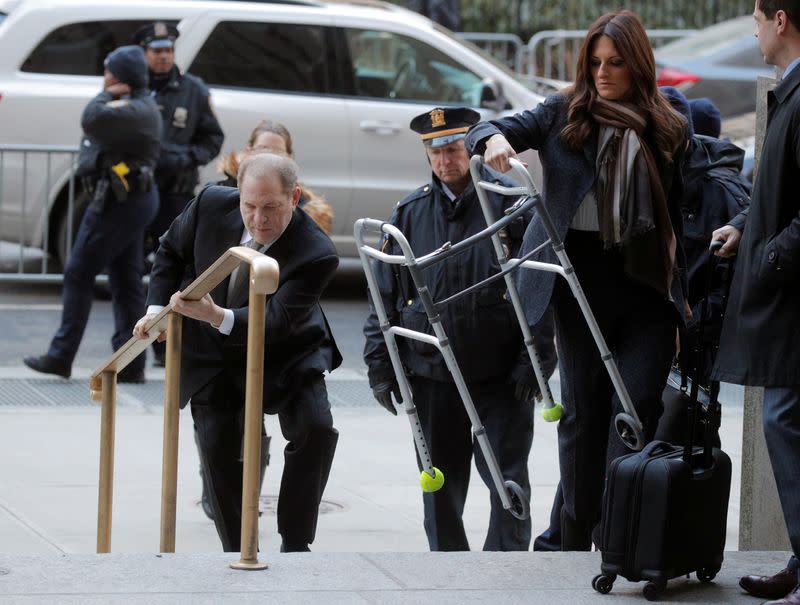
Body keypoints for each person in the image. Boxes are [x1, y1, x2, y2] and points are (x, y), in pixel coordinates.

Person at [466, 10, 688, 551]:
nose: (603, 73)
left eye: (615, 63)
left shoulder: (667, 119)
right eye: (594, 62)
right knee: (582, 419)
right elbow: (485, 127)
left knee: (632, 416)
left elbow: (702, 178)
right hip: (577, 284)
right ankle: (573, 539)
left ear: (637, 65)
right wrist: (491, 139)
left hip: (646, 288)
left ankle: (620, 538)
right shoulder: (564, 110)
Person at [133, 153, 341, 553]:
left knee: (315, 428)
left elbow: (277, 320)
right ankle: (238, 550)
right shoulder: (212, 202)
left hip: (288, 352)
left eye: (271, 208)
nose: (258, 219)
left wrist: (216, 315)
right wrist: (156, 311)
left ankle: (295, 542)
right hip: (215, 355)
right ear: (237, 194)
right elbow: (170, 251)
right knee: (217, 451)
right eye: (249, 206)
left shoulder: (317, 251)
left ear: (294, 197)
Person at [363, 106, 542, 552]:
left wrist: (535, 357)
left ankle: (506, 575)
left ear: (470, 146)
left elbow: (540, 285)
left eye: (451, 148)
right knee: (439, 490)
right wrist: (381, 366)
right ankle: (448, 577)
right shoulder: (409, 213)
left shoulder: (508, 203)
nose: (444, 160)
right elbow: (383, 295)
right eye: (433, 151)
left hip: (499, 375)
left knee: (509, 487)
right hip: (433, 375)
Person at [711, 1, 800, 603]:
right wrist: (747, 222)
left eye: (758, 23)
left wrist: (768, 256)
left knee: (784, 421)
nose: (756, 35)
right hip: (787, 292)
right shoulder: (790, 91)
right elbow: (779, 185)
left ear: (782, 20)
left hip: (791, 294)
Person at [23, 45, 161, 384]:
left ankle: (61, 355)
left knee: (78, 272)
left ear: (121, 77)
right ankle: (131, 363)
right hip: (123, 201)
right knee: (126, 281)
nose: (105, 77)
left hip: (120, 204)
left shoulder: (138, 108)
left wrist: (104, 94)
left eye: (109, 71)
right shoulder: (134, 106)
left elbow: (91, 119)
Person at [132, 21, 225, 367]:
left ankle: (164, 345)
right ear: (145, 53)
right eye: (156, 51)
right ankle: (139, 343)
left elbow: (212, 139)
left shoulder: (193, 90)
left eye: (168, 50)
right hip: (136, 193)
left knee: (167, 266)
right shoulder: (135, 87)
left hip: (174, 193)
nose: (163, 57)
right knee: (131, 270)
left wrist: (186, 159)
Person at [217, 120, 333, 234]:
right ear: (248, 151)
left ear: (289, 157)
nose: (269, 156)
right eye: (263, 149)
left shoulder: (306, 211)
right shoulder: (218, 195)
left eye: (278, 152)